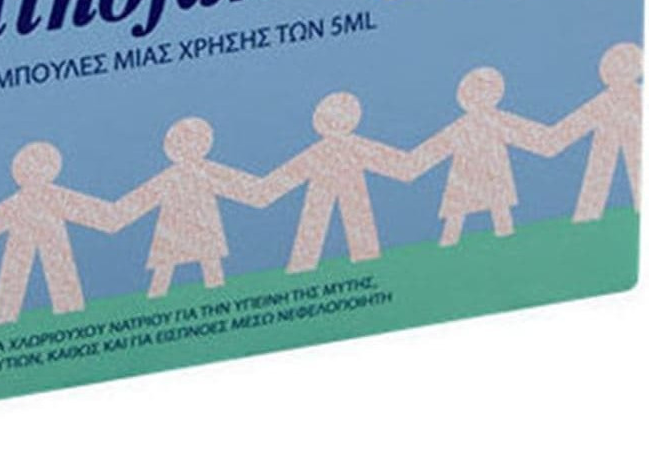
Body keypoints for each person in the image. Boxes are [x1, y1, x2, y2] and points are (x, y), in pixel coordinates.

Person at [0, 141, 119, 325]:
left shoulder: (42, 199)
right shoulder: (24, 203)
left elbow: (108, 218)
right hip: (23, 262)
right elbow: (110, 218)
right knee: (13, 301)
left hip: (51, 264)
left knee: (59, 296)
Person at [112, 117, 272, 297]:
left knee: (209, 269)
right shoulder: (172, 177)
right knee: (165, 273)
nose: (188, 148)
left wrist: (279, 182)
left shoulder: (205, 171)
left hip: (201, 231)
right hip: (173, 233)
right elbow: (134, 204)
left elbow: (250, 190)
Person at [262, 92, 415, 272]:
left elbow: (404, 167)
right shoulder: (331, 151)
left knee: (349, 240)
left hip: (348, 200)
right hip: (326, 200)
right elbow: (405, 166)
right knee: (314, 242)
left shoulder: (337, 149)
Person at [408, 68, 559, 246]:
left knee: (498, 211)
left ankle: (502, 241)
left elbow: (536, 137)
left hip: (492, 176)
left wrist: (560, 135)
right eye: (475, 91)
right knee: (457, 216)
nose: (479, 96)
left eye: (484, 90)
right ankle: (450, 242)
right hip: (464, 178)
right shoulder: (463, 126)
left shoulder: (496, 120)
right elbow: (430, 151)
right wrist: (404, 165)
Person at [548, 43, 642, 222]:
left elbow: (560, 135)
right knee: (599, 175)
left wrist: (546, 141)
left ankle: (588, 216)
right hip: (607, 143)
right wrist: (543, 140)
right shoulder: (606, 101)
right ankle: (588, 216)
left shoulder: (628, 98)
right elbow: (565, 132)